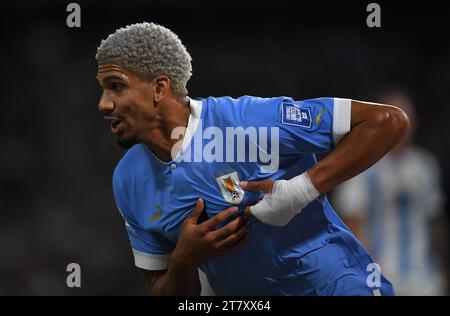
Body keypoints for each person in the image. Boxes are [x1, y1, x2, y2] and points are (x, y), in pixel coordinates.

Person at [95, 22, 409, 295]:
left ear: (159, 88)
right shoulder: (128, 179)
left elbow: (387, 121)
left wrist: (300, 190)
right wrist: (183, 262)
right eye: (103, 89)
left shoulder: (250, 120)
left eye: (116, 87)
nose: (103, 104)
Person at [333, 89, 447, 295]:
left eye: (405, 118)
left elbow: (434, 222)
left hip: (424, 278)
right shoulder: (361, 165)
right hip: (381, 274)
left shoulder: (424, 165)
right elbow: (351, 223)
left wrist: (441, 267)